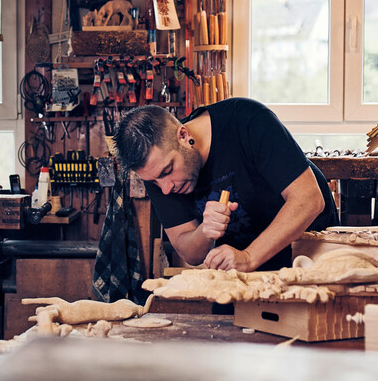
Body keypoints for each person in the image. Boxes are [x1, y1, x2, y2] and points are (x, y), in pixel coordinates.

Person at [113, 98, 337, 272]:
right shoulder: (156, 169)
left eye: (167, 171)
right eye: (153, 182)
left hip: (308, 254)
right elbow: (189, 251)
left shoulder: (248, 120)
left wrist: (249, 257)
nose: (165, 189)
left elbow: (309, 199)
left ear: (183, 135)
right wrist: (205, 231)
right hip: (242, 265)